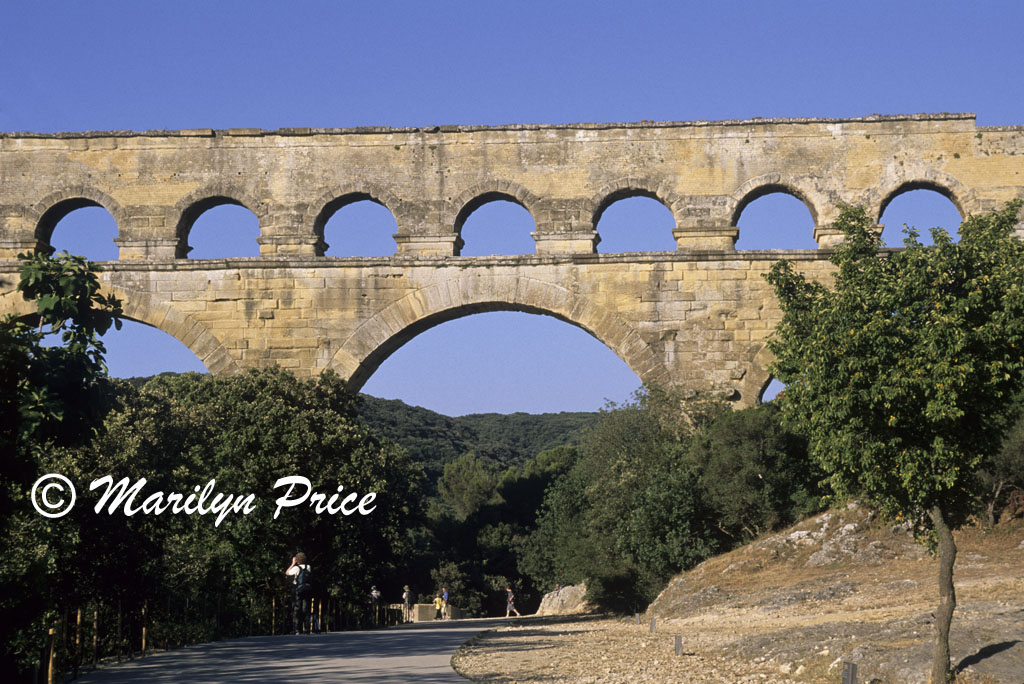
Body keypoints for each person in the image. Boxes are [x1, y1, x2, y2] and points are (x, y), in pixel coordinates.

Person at [285, 552, 314, 634]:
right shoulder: (308, 567)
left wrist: (292, 563)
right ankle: (307, 629)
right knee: (306, 609)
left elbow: (287, 573)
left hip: (298, 590)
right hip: (307, 589)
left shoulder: (296, 568)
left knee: (297, 609)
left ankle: (297, 629)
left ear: (297, 560)